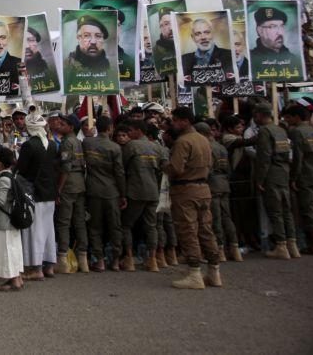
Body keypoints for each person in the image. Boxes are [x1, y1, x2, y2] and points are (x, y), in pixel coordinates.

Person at [164, 107, 221, 289]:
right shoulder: (204, 140)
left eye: (175, 120)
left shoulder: (183, 142)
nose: (173, 124)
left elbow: (176, 169)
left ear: (185, 121)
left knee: (188, 230)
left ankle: (194, 272)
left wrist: (164, 166)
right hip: (203, 188)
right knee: (206, 229)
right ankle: (214, 271)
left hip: (186, 190)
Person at [16, 111, 58, 280]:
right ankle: (49, 267)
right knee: (48, 230)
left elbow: (22, 169)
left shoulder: (29, 145)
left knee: (35, 231)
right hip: (49, 193)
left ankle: (36, 269)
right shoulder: (52, 144)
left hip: (34, 193)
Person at [253, 106, 297, 259]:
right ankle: (292, 245)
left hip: (271, 173)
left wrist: (260, 179)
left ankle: (281, 246)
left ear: (259, 115)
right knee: (287, 210)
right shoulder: (280, 130)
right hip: (284, 172)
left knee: (275, 210)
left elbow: (264, 157)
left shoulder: (265, 131)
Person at [83, 116, 126, 272]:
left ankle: (99, 260)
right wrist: (123, 194)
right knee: (115, 226)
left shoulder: (88, 143)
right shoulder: (115, 148)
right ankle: (115, 260)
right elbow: (119, 173)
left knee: (95, 227)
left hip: (94, 190)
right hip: (111, 191)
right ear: (110, 128)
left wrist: (89, 134)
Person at [121, 120, 164, 271]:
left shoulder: (132, 146)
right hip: (153, 191)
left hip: (135, 191)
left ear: (138, 131)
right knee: (152, 226)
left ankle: (129, 258)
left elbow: (122, 166)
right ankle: (153, 259)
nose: (129, 134)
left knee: (126, 225)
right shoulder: (157, 147)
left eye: (131, 130)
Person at [51, 112, 88, 274]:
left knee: (64, 222)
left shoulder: (67, 143)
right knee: (80, 222)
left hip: (69, 185)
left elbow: (65, 168)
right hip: (80, 183)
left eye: (63, 124)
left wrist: (59, 189)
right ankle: (83, 259)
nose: (59, 125)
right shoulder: (79, 142)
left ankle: (63, 259)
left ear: (71, 127)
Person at [283, 104, 313, 254]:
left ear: (296, 117)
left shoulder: (297, 132)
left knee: (307, 211)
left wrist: (294, 178)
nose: (286, 120)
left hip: (305, 176)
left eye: (288, 117)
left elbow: (298, 157)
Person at [0, 145, 24, 291]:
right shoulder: (12, 175)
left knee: (6, 249)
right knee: (14, 248)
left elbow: (0, 201)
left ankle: (13, 280)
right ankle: (18, 277)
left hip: (4, 219)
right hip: (13, 219)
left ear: (1, 163)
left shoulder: (3, 179)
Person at [203, 122, 239, 262]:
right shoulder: (221, 147)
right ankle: (235, 249)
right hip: (224, 184)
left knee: (215, 218)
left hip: (212, 185)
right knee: (227, 217)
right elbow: (228, 169)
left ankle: (220, 249)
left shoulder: (207, 147)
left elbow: (208, 169)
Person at [180, 18, 235, 85]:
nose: (203, 37)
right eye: (198, 34)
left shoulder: (229, 56)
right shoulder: (184, 60)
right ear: (193, 38)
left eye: (207, 32)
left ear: (213, 34)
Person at [64, 15, 111, 79]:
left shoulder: (110, 67)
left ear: (103, 40)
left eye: (98, 36)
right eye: (87, 36)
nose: (93, 42)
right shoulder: (67, 66)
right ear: (78, 38)